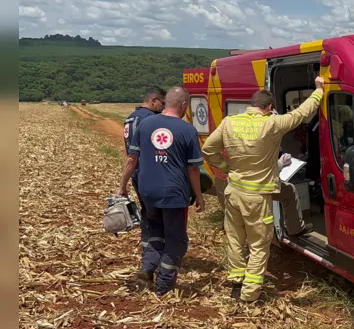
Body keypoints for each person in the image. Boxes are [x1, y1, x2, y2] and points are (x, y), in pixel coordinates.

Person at [201, 76, 325, 303]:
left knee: (236, 239)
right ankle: (249, 295)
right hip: (257, 197)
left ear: (251, 104)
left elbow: (208, 149)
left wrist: (226, 168)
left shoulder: (229, 122)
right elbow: (300, 114)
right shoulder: (272, 124)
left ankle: (237, 283)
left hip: (234, 191)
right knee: (259, 245)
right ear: (269, 108)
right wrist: (318, 91)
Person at [116, 86, 206, 296]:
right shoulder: (187, 130)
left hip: (147, 192)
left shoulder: (145, 123)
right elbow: (193, 168)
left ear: (166, 103)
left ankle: (146, 271)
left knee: (154, 232)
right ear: (183, 105)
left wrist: (122, 186)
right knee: (177, 240)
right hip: (174, 195)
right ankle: (163, 287)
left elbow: (131, 159)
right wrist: (199, 196)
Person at [122, 86, 166, 285]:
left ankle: (148, 250)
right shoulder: (149, 119)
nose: (163, 108)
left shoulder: (130, 117)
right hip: (149, 172)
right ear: (154, 100)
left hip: (137, 174)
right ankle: (153, 259)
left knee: (147, 214)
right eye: (162, 103)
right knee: (156, 217)